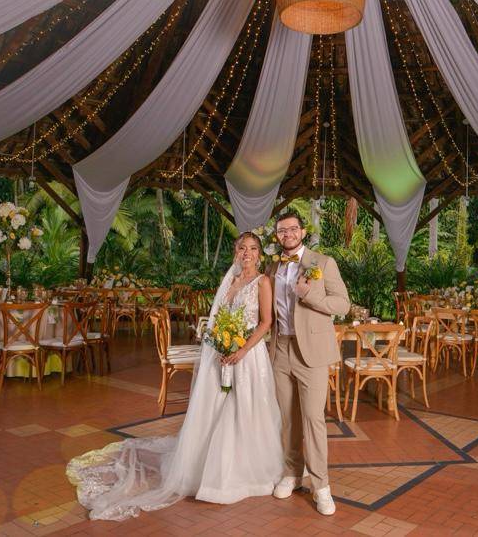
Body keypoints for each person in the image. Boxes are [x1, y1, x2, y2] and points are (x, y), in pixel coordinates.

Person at [66, 232, 283, 521]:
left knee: (245, 409)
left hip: (249, 358)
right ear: (235, 251)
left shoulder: (263, 282)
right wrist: (220, 342)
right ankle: (206, 469)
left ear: (260, 254)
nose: (247, 253)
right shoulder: (230, 281)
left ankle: (243, 472)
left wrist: (241, 350)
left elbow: (266, 322)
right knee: (219, 409)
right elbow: (218, 318)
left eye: (253, 248)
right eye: (242, 248)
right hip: (224, 355)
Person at [266, 212, 350, 516]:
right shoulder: (272, 266)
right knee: (287, 418)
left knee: (313, 419)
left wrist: (310, 297)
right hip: (280, 349)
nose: (287, 234)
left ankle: (321, 485)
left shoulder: (323, 263)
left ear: (302, 231)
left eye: (292, 229)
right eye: (281, 230)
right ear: (277, 236)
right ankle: (292, 473)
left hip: (311, 352)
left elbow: (343, 304)